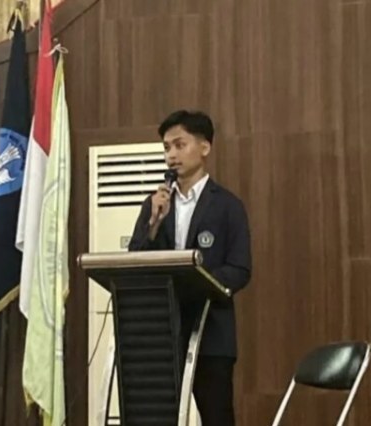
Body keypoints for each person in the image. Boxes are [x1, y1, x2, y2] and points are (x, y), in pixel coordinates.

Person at [128, 110, 252, 426]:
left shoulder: (228, 206)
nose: (171, 155)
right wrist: (153, 224)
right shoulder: (155, 204)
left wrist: (196, 280)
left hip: (211, 332)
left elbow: (240, 269)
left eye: (180, 145)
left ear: (204, 147)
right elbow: (135, 261)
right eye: (166, 148)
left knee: (216, 417)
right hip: (162, 332)